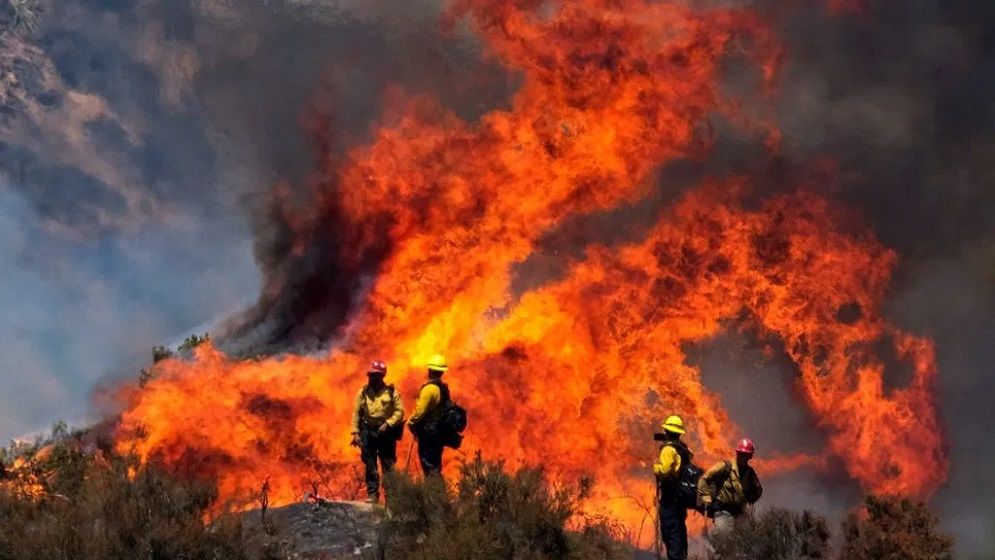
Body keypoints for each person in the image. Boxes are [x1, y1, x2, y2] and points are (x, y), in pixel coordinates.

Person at [350, 359, 404, 503]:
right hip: (368, 431)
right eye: (371, 375)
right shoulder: (363, 393)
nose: (373, 378)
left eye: (376, 375)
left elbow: (399, 412)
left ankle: (391, 497)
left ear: (382, 377)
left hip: (385, 433)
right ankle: (373, 494)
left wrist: (388, 424)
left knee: (388, 465)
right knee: (370, 463)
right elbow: (356, 413)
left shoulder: (392, 393)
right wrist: (355, 433)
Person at [697, 438, 763, 538]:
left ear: (750, 456)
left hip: (740, 511)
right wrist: (706, 495)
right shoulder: (725, 466)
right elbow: (704, 479)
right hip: (723, 510)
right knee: (723, 537)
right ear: (737, 453)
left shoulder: (750, 473)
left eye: (746, 455)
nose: (743, 457)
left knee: (747, 538)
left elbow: (758, 490)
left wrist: (752, 497)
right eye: (741, 454)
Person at [653, 415, 693, 560]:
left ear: (667, 431)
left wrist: (655, 467)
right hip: (681, 497)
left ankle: (676, 557)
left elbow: (664, 470)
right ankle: (682, 556)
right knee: (679, 530)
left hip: (670, 498)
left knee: (670, 531)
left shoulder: (668, 450)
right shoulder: (684, 449)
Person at [406, 354, 452, 476]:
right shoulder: (443, 388)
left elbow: (420, 411)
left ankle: (435, 493)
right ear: (442, 372)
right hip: (438, 433)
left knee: (429, 467)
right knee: (435, 466)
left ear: (430, 370)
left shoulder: (429, 389)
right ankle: (437, 493)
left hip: (429, 434)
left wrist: (411, 422)